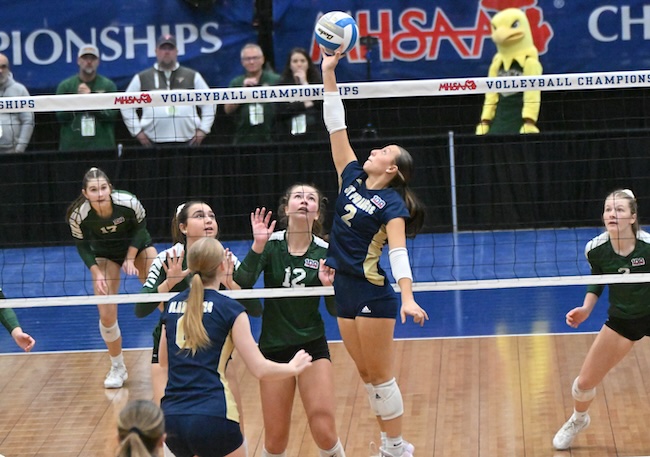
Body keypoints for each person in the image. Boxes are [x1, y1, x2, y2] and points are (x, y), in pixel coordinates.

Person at [320, 47, 429, 457]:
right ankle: (391, 443)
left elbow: (398, 253)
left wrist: (407, 297)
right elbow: (336, 125)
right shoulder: (349, 176)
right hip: (343, 289)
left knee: (381, 376)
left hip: (372, 292)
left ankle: (395, 446)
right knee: (365, 375)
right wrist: (329, 72)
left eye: (384, 151)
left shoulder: (392, 206)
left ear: (392, 170)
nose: (376, 150)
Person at [159, 237, 313, 457]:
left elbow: (164, 362)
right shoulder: (230, 309)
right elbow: (260, 369)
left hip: (171, 419)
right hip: (214, 415)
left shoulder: (171, 305)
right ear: (223, 266)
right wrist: (292, 367)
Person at [233, 184, 345, 457]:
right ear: (286, 209)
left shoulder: (326, 251)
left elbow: (335, 309)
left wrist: (328, 286)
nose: (304, 201)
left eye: (311, 198)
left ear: (318, 213)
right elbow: (241, 285)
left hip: (311, 346)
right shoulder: (271, 245)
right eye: (298, 197)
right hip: (274, 347)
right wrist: (257, 246)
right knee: (275, 439)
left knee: (324, 429)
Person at [552, 188, 650, 450]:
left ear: (632, 216)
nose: (612, 214)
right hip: (623, 319)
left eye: (619, 209)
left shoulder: (648, 247)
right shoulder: (595, 249)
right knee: (583, 384)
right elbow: (598, 279)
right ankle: (578, 419)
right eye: (608, 209)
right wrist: (586, 308)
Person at [66, 167, 157, 389]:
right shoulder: (78, 215)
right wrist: (96, 272)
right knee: (106, 312)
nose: (99, 193)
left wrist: (130, 258)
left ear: (110, 188)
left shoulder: (128, 202)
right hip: (105, 255)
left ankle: (180, 354)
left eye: (103, 188)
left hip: (138, 248)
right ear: (85, 193)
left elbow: (141, 229)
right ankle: (118, 367)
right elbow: (82, 246)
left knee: (163, 293)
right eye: (94, 189)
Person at [121, 34, 215, 146]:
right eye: (163, 48)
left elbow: (210, 102)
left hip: (187, 142)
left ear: (176, 51)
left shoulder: (192, 76)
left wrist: (203, 130)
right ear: (156, 51)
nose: (166, 52)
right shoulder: (142, 77)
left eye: (170, 48)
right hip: (153, 144)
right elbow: (125, 103)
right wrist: (137, 132)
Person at [55, 44, 119, 151]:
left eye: (93, 58)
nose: (89, 62)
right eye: (85, 58)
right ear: (78, 61)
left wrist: (91, 99)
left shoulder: (108, 85)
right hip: (72, 147)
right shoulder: (65, 86)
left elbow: (111, 115)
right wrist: (78, 100)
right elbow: (60, 116)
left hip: (102, 147)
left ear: (98, 62)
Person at [224, 43, 280, 145]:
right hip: (243, 139)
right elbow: (227, 110)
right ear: (242, 62)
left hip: (271, 139)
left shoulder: (275, 80)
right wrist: (243, 92)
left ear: (262, 59)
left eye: (255, 58)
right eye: (247, 59)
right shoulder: (236, 82)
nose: (251, 62)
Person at [274, 48, 326, 142]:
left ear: (308, 64)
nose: (299, 64)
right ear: (290, 65)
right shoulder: (281, 85)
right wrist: (305, 104)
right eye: (295, 61)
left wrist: (304, 82)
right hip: (288, 135)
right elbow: (280, 110)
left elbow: (320, 105)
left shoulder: (317, 83)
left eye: (302, 61)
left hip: (314, 133)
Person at [0, 53, 34, 154]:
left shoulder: (20, 90)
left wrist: (19, 149)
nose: (0, 71)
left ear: (8, 69)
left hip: (11, 152)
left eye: (3, 67)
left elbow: (28, 120)